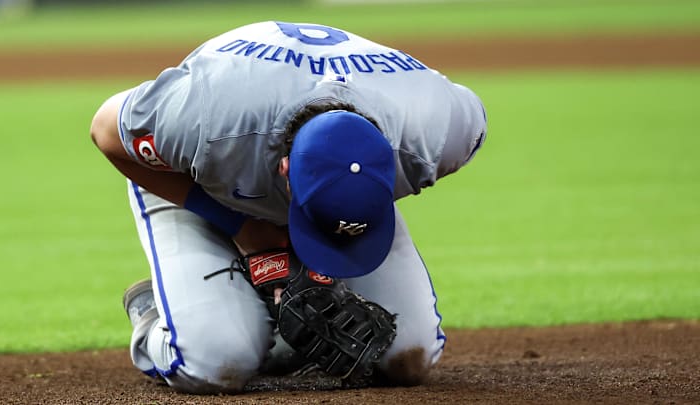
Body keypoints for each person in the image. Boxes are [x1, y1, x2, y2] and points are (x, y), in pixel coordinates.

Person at [90, 21, 487, 394]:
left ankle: (269, 319)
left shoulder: (438, 131)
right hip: (196, 177)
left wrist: (344, 213)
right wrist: (243, 228)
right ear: (284, 172)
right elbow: (106, 130)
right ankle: (153, 312)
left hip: (346, 189)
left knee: (406, 358)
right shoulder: (206, 117)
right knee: (215, 363)